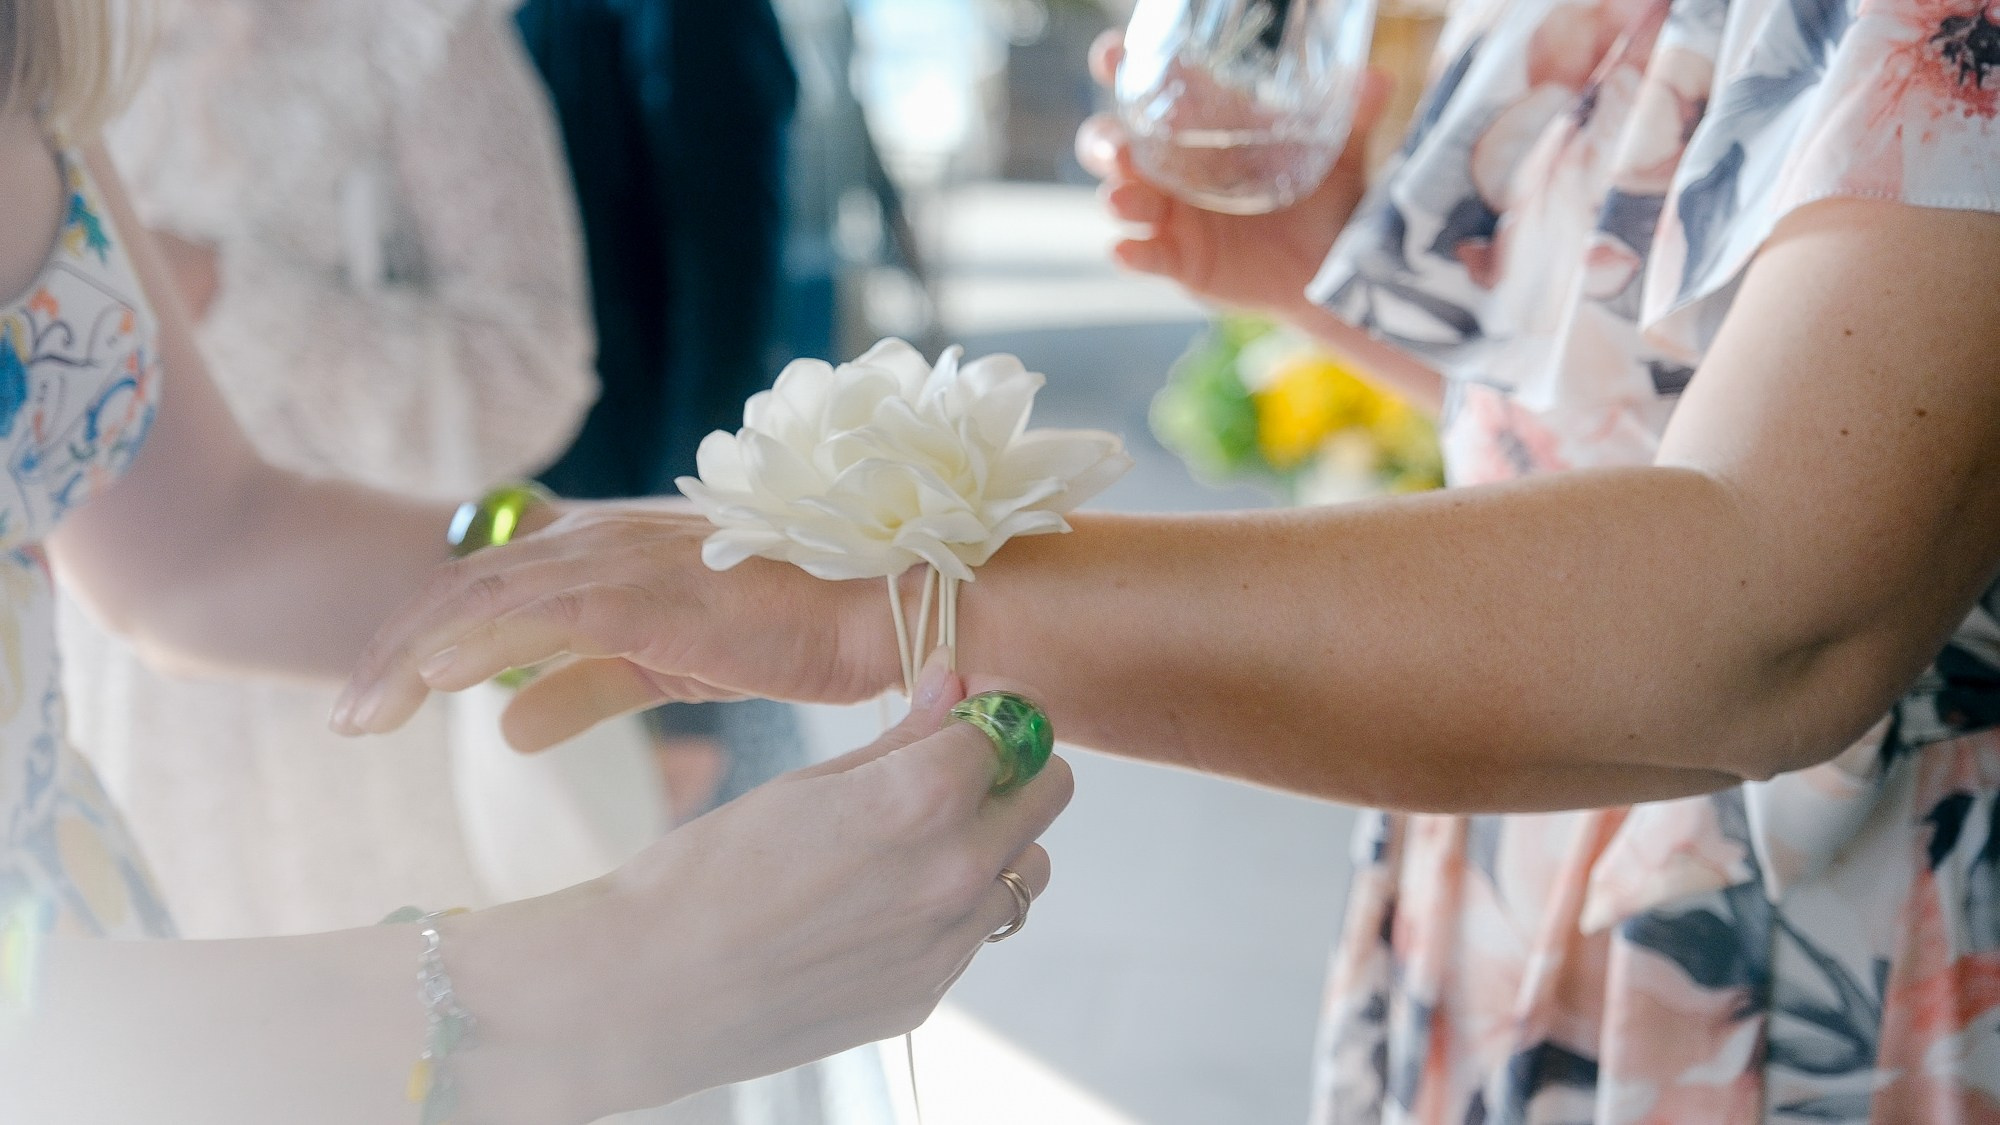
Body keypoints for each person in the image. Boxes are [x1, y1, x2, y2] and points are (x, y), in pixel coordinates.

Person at [339, 1, 2000, 1121]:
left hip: (1846, 946)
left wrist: (880, 595)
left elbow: (1786, 606)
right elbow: (1648, 420)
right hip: (1521, 901)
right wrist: (1316, 296)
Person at [0, 2, 1067, 1119]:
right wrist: (620, 971)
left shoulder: (47, 48)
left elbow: (199, 546)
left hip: (84, 893)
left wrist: (713, 582)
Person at [59, 0, 596, 940]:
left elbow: (536, 375)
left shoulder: (418, 36)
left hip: (357, 657)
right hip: (102, 681)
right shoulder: (53, 52)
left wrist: (226, 296)